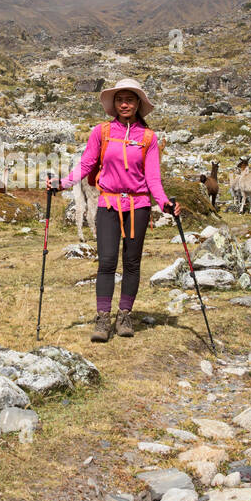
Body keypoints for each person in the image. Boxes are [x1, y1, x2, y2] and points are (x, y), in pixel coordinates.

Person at [48, 78, 180, 342]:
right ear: (114, 104)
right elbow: (87, 164)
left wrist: (164, 203)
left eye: (129, 100)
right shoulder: (102, 132)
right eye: (120, 99)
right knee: (107, 262)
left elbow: (153, 178)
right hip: (108, 203)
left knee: (132, 263)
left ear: (138, 104)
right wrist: (62, 183)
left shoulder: (149, 138)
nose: (124, 104)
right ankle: (103, 319)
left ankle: (125, 315)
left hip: (139, 205)